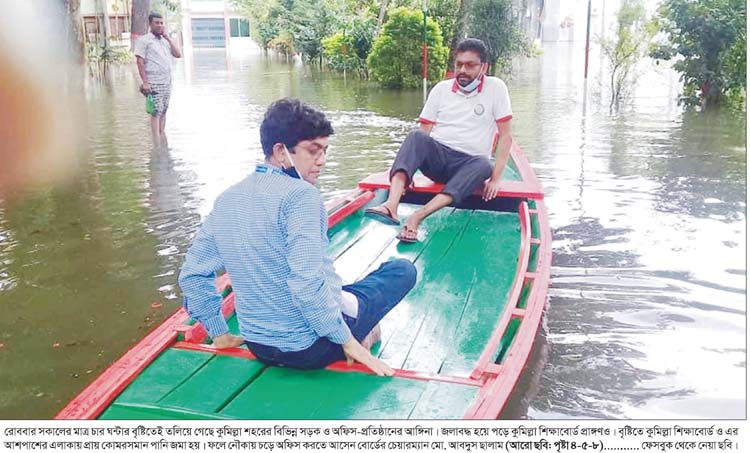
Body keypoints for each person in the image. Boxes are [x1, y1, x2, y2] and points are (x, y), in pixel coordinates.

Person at [178, 98, 417, 376]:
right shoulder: (301, 196)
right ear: (281, 152)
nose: (322, 161)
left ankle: (350, 326)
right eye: (313, 151)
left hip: (259, 345)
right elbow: (306, 285)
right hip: (312, 349)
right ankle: (364, 333)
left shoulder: (227, 199)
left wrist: (219, 332)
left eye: (325, 151)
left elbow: (193, 275)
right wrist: (348, 342)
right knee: (401, 270)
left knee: (338, 288)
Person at [365, 38, 514, 242]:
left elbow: (506, 136)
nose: (462, 70)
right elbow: (424, 132)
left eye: (470, 65)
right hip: (439, 160)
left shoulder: (496, 88)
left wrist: (496, 179)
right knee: (416, 136)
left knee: (483, 163)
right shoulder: (441, 89)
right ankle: (391, 205)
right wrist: (409, 172)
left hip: (469, 165)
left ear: (484, 67)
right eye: (459, 64)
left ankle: (417, 217)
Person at [134, 12, 181, 147]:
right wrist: (145, 82)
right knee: (156, 112)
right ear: (150, 24)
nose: (160, 25)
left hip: (167, 81)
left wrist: (167, 37)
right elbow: (140, 61)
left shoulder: (165, 40)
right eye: (157, 23)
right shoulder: (144, 41)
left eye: (161, 23)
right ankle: (156, 143)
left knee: (164, 110)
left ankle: (162, 136)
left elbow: (178, 54)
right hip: (153, 82)